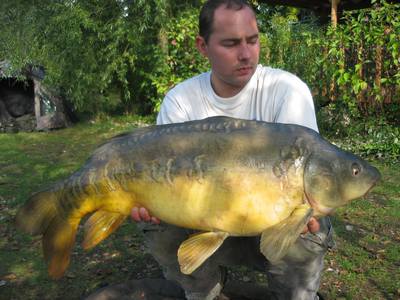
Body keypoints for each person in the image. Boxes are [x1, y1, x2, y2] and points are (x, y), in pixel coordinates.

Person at [131, 0, 334, 299]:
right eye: (231, 43)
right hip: (204, 222)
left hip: (273, 223)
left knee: (305, 226)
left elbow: (304, 180)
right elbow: (164, 178)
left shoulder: (287, 91)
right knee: (157, 225)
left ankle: (295, 295)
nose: (245, 54)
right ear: (203, 46)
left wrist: (306, 213)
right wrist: (151, 203)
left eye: (253, 41)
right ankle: (206, 291)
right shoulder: (181, 101)